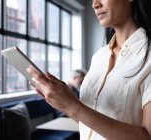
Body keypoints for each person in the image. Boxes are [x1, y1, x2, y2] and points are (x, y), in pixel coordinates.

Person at [27, 0, 151, 139]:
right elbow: (89, 123)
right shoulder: (98, 57)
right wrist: (64, 103)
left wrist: (73, 106)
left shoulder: (148, 57)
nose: (94, 4)